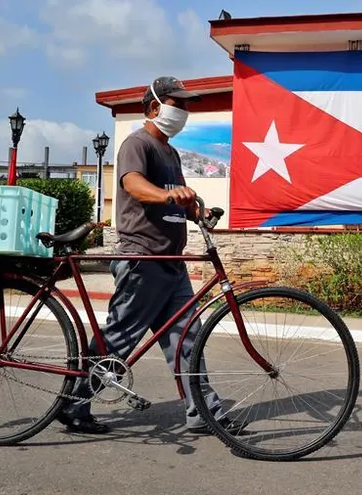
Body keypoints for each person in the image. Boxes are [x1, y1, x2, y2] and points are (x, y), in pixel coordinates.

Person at [55, 76, 246, 436]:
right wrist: (166, 196)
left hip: (170, 262)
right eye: (178, 104)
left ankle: (204, 413)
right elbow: (134, 184)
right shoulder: (137, 143)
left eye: (186, 105)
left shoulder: (170, 152)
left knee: (188, 338)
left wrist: (195, 212)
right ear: (155, 107)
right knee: (120, 338)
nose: (184, 111)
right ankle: (74, 404)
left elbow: (174, 197)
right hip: (143, 258)